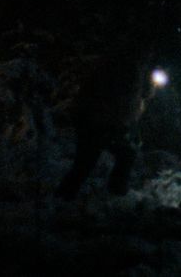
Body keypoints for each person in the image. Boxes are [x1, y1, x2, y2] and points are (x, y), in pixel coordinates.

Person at [55, 49, 157, 199]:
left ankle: (69, 196)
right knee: (89, 161)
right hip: (97, 121)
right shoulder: (124, 67)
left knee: (94, 161)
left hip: (102, 121)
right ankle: (110, 196)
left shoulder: (135, 69)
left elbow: (137, 98)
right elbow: (121, 98)